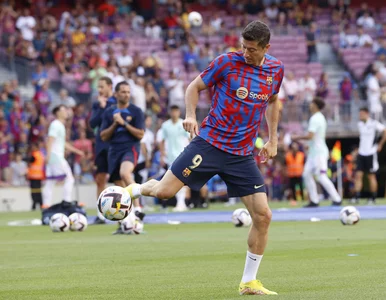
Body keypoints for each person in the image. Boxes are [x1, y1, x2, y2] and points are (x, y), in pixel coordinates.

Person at [125, 21, 284, 295]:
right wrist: (190, 115)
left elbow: (272, 102)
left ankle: (248, 281)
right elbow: (193, 87)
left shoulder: (275, 70)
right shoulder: (226, 62)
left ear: (266, 48)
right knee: (163, 192)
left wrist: (273, 138)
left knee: (263, 215)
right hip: (210, 144)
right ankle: (132, 190)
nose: (245, 52)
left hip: (241, 155)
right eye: (243, 47)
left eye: (252, 49)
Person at [100, 81, 145, 231]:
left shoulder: (136, 111)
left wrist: (124, 124)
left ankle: (138, 208)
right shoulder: (109, 112)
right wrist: (115, 124)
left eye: (128, 92)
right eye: (123, 92)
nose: (126, 94)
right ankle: (128, 221)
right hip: (114, 150)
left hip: (130, 147)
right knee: (119, 187)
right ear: (116, 94)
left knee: (125, 173)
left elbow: (140, 134)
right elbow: (103, 136)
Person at [292, 97, 342, 207]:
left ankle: (337, 198)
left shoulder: (316, 118)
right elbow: (315, 137)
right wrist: (309, 146)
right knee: (306, 174)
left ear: (315, 105)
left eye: (311, 103)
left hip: (319, 153)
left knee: (321, 176)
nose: (310, 105)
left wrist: (296, 137)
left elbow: (310, 136)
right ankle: (314, 200)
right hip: (314, 152)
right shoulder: (318, 117)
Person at [42, 105, 85, 208]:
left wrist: (76, 151)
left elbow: (62, 143)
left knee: (50, 181)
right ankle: (67, 201)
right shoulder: (56, 124)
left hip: (53, 156)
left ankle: (46, 204)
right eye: (63, 110)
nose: (66, 111)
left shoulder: (59, 125)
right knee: (69, 178)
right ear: (57, 113)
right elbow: (50, 140)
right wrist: (47, 155)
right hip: (56, 156)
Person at [89, 76, 116, 223]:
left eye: (101, 87)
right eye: (98, 87)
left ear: (110, 86)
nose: (99, 90)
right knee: (100, 179)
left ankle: (127, 213)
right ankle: (100, 214)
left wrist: (105, 106)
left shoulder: (116, 102)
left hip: (115, 145)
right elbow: (93, 123)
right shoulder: (97, 104)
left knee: (120, 179)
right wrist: (100, 107)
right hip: (101, 146)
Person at [351, 107, 386, 204]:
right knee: (358, 175)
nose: (360, 116)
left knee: (371, 176)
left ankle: (372, 197)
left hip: (371, 153)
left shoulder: (374, 124)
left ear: (367, 114)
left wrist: (380, 145)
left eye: (361, 114)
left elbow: (384, 131)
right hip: (361, 153)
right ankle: (356, 197)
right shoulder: (360, 124)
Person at [159, 105, 190, 211]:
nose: (174, 113)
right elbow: (162, 141)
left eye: (176, 111)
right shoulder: (165, 125)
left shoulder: (183, 123)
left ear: (178, 112)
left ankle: (182, 203)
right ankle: (179, 203)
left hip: (182, 155)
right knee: (172, 180)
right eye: (172, 111)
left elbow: (189, 138)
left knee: (183, 178)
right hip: (170, 156)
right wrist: (162, 155)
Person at [27, 142, 45, 210]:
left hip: (34, 177)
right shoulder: (40, 154)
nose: (32, 148)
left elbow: (29, 160)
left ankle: (34, 205)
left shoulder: (35, 154)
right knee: (38, 192)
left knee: (34, 192)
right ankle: (40, 204)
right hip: (38, 176)